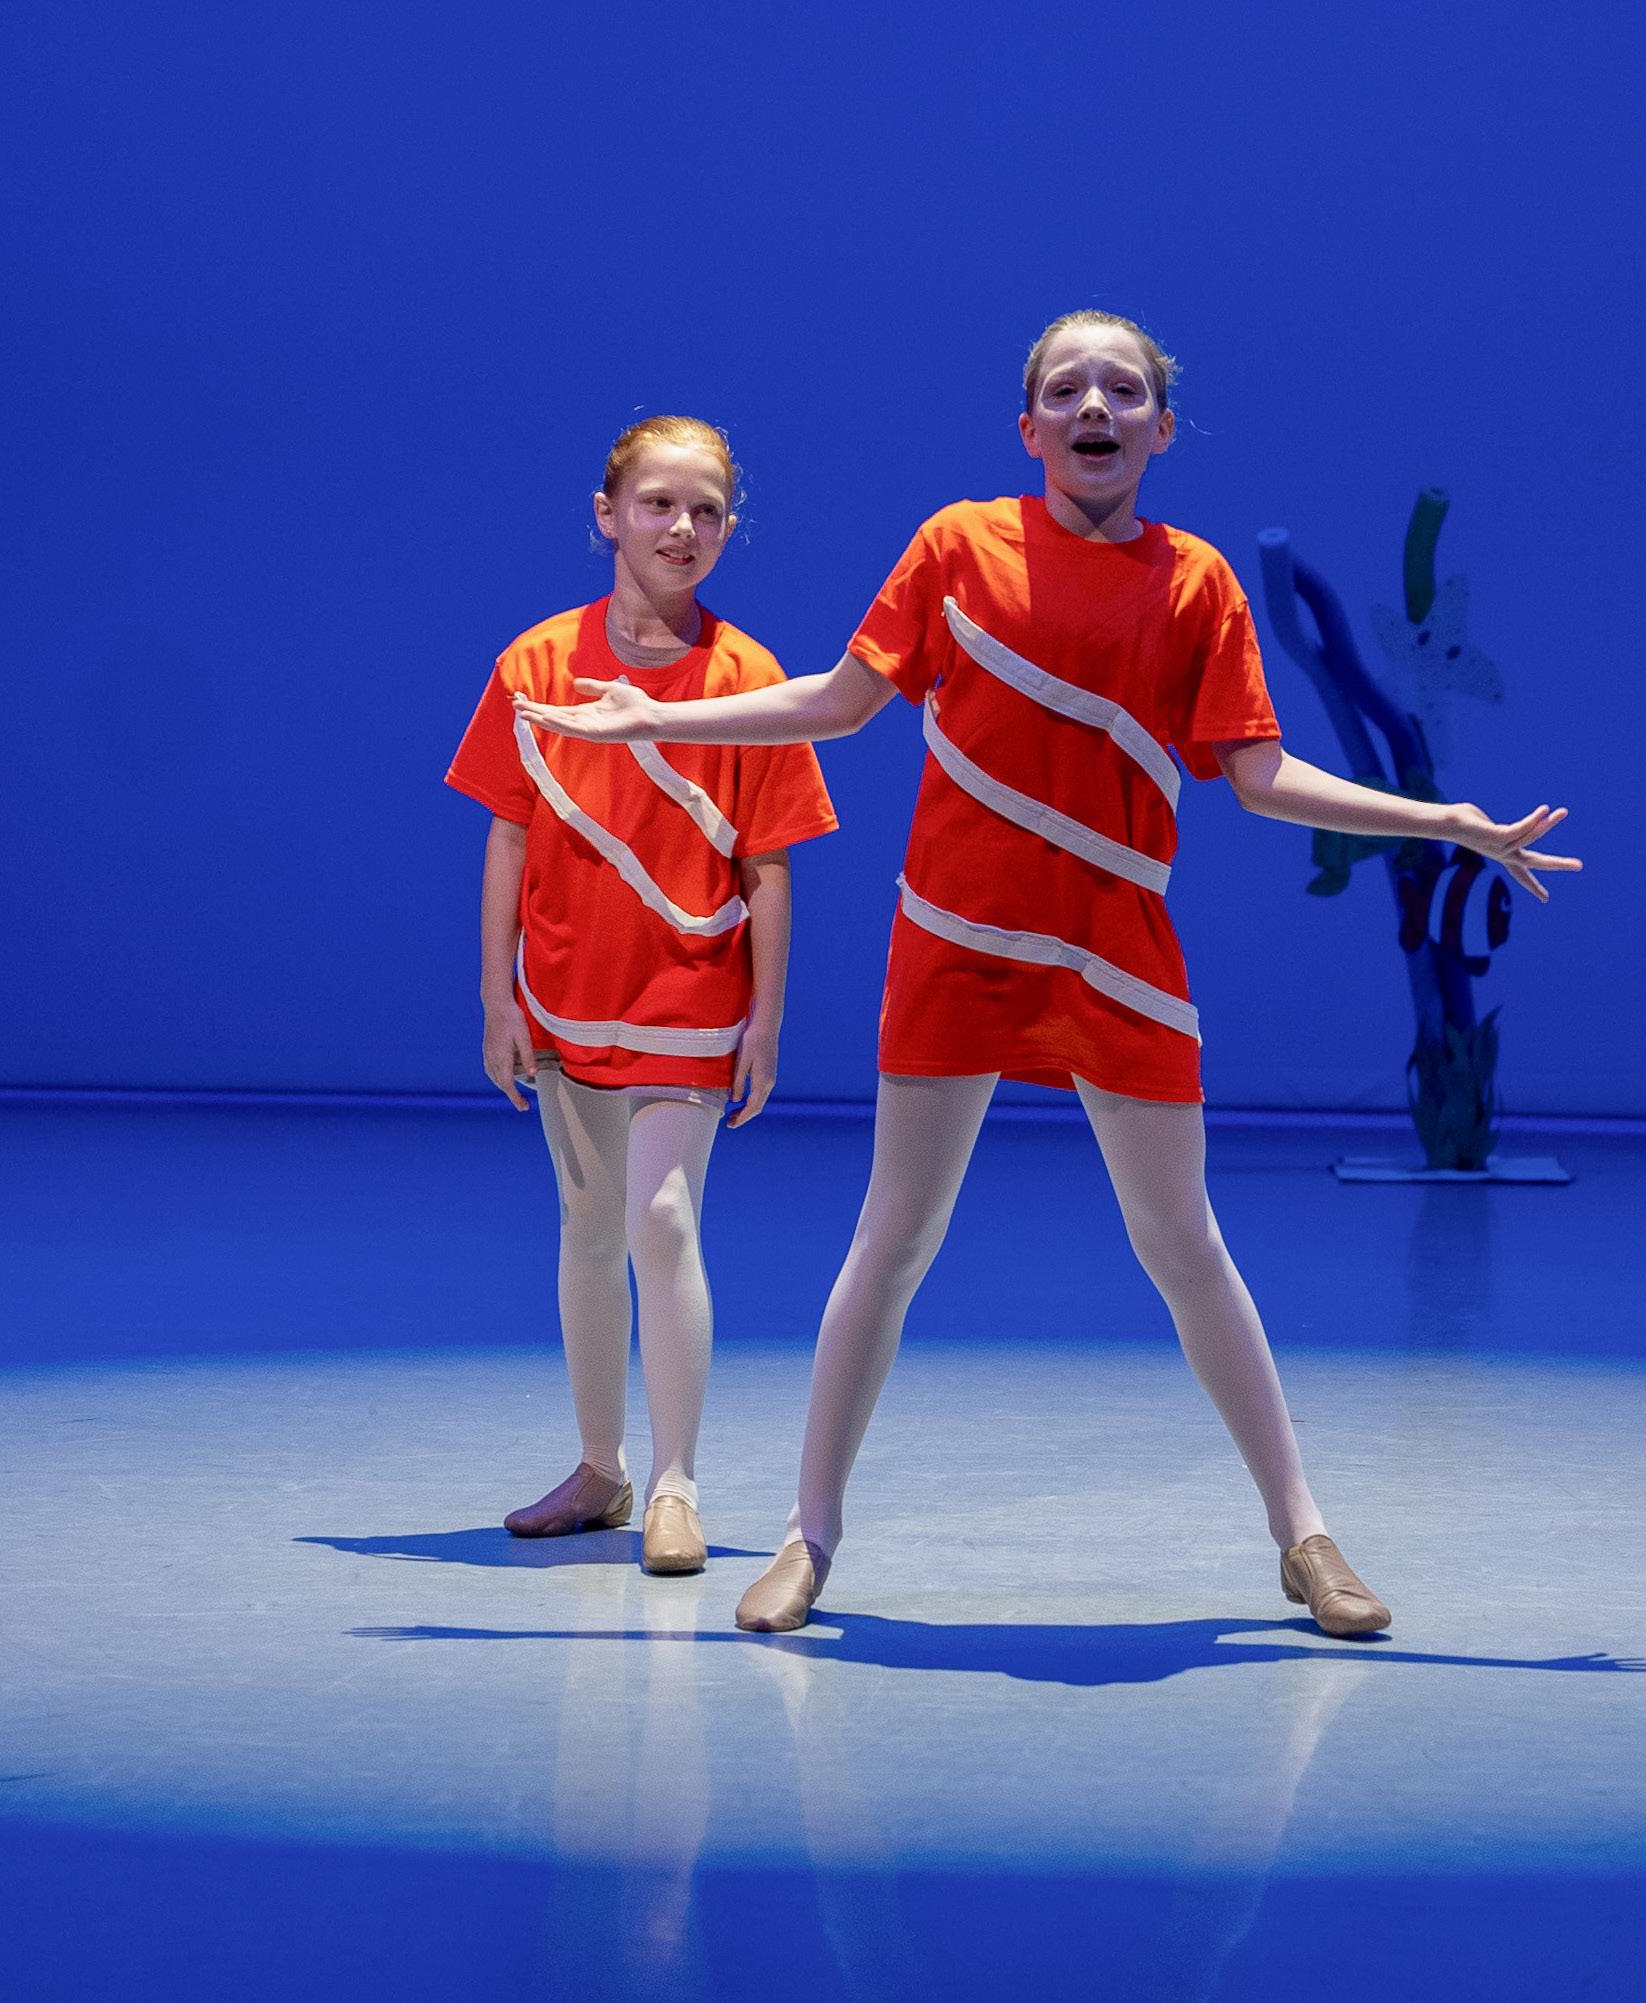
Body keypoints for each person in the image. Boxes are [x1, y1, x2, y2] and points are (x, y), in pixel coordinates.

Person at [512, 315, 1580, 1632]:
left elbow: (1258, 775)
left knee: (1184, 1243)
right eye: (1067, 389)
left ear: (1161, 429)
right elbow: (839, 701)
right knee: (893, 1241)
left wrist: (1445, 819)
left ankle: (1303, 1534)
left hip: (1116, 956)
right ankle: (809, 1537)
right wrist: (658, 717)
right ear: (1029, 427)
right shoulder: (959, 546)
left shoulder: (1196, 583)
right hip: (954, 944)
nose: (1094, 407)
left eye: (1122, 390)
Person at [447, 415, 837, 1575]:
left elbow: (770, 863)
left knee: (660, 1219)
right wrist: (497, 996)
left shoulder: (750, 680)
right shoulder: (533, 664)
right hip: (566, 992)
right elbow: (508, 836)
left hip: (692, 990)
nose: (682, 527)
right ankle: (600, 1468)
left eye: (707, 509)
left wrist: (767, 1017)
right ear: (607, 515)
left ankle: (675, 1481)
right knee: (587, 1223)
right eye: (660, 503)